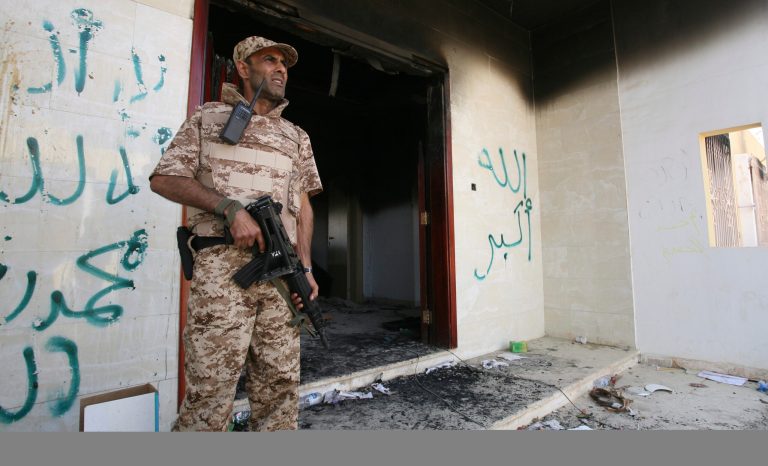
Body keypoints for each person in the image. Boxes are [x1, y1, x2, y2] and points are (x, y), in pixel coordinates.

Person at [149, 36, 322, 431]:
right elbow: (164, 179)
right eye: (270, 60)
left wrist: (306, 267)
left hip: (281, 277)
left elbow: (303, 204)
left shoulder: (296, 136)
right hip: (222, 276)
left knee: (280, 390)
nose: (281, 69)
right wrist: (228, 208)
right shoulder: (208, 119)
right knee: (210, 395)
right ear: (243, 68)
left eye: (285, 64)